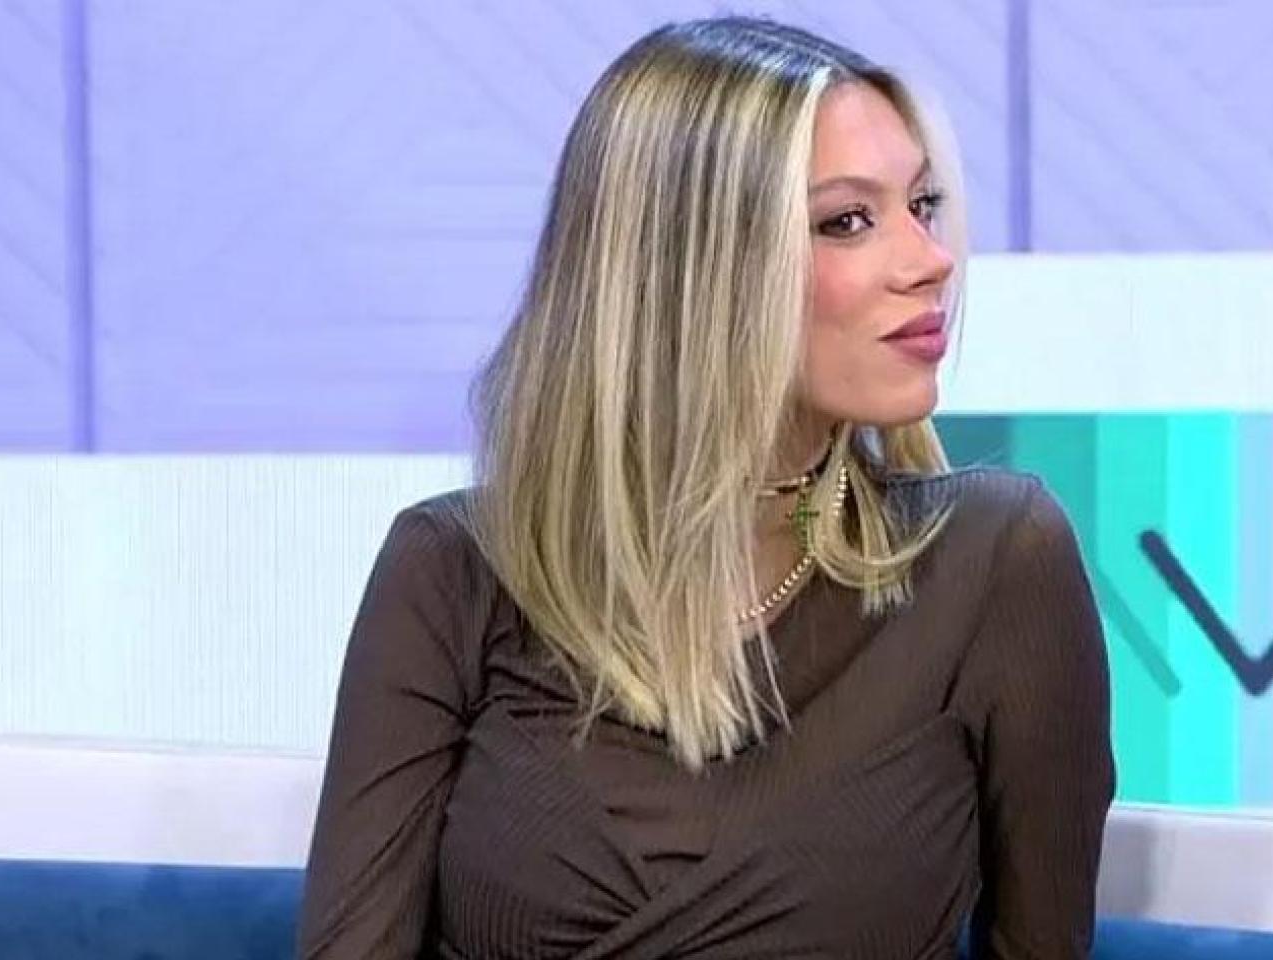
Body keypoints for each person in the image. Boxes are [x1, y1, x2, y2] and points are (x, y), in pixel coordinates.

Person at [296, 15, 1114, 959]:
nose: (930, 260)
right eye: (848, 221)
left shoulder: (995, 562)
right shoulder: (454, 573)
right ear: (687, 269)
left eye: (922, 206)